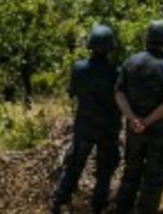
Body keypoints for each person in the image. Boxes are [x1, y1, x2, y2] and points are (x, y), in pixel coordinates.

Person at [51, 24, 122, 214]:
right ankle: (98, 207)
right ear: (110, 46)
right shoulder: (116, 72)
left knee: (74, 165)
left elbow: (72, 93)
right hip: (108, 128)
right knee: (104, 171)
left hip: (85, 125)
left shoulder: (79, 68)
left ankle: (58, 202)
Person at [114, 20, 163, 214]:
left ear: (147, 38)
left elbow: (119, 93)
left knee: (130, 175)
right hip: (159, 134)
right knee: (154, 179)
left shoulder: (131, 62)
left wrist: (133, 119)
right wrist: (147, 121)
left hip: (135, 132)